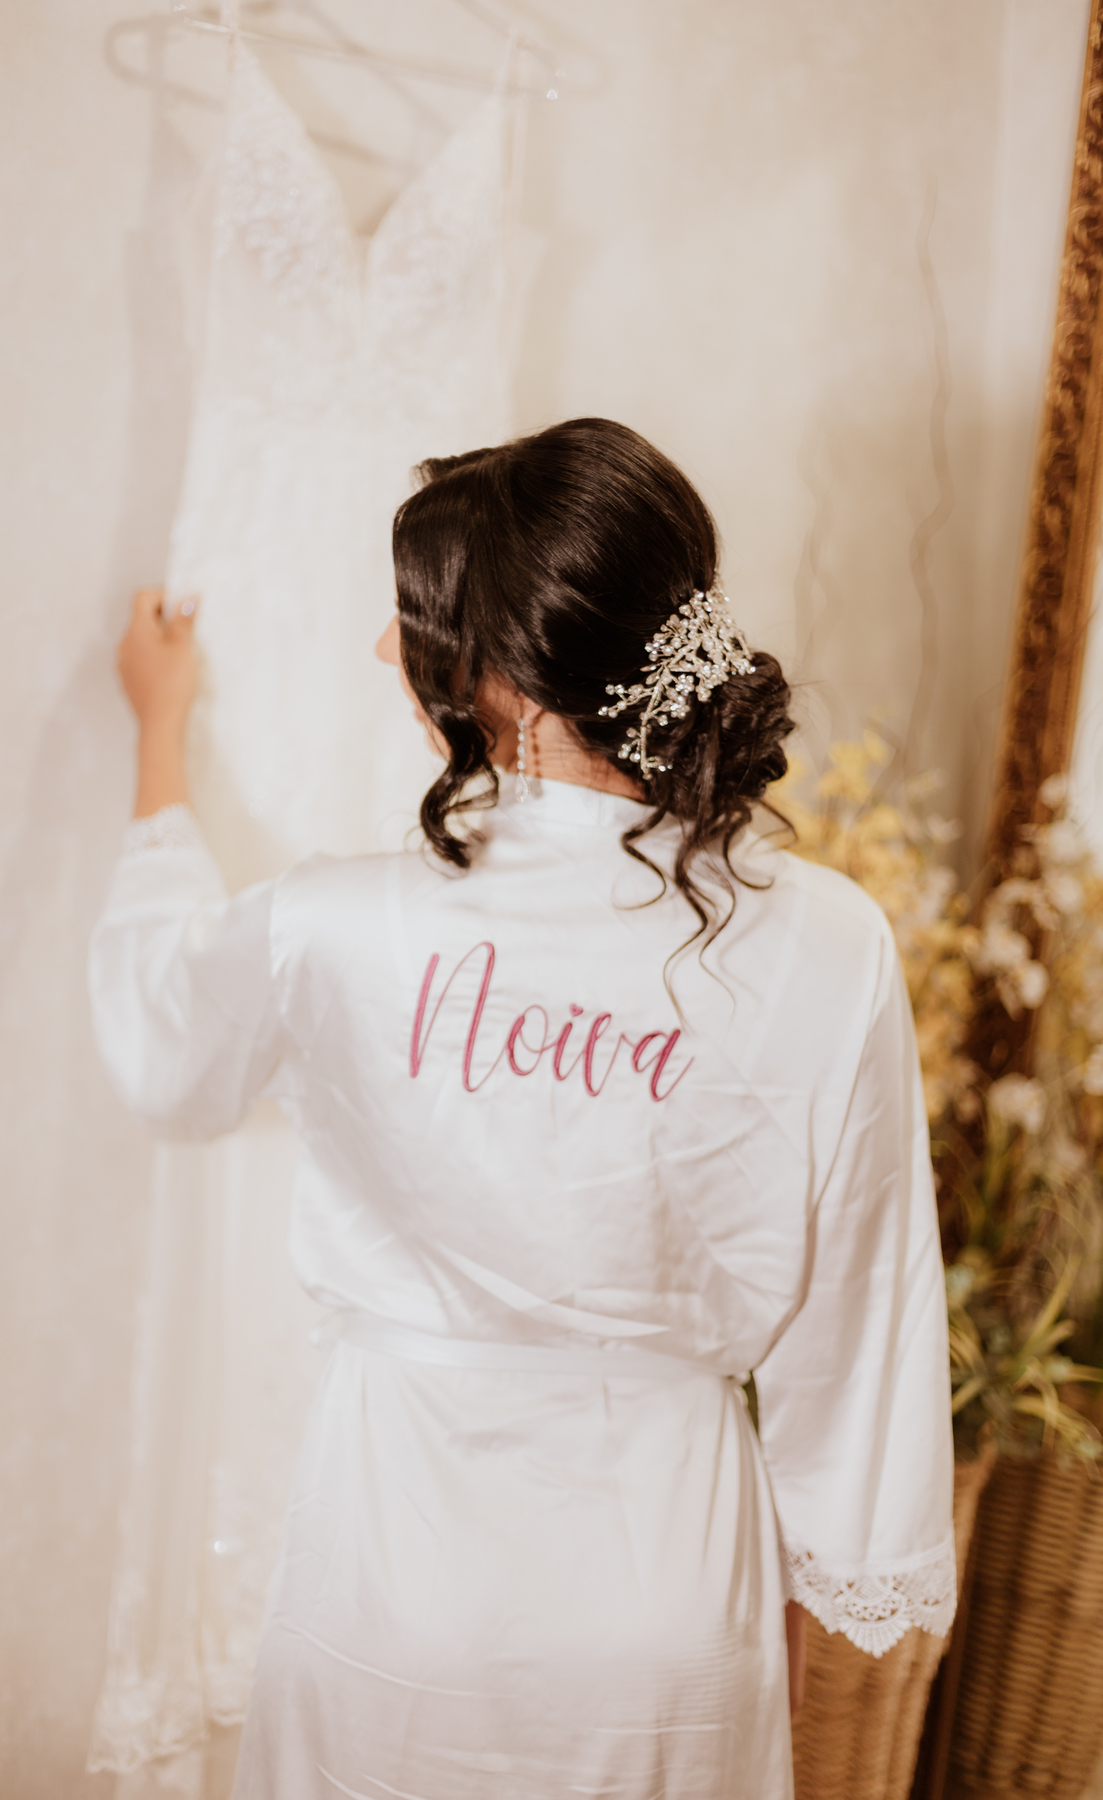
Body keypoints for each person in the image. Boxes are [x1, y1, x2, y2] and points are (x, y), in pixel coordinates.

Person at [90, 418, 955, 1800]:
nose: (389, 650)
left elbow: (162, 1044)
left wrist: (157, 740)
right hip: (671, 1591)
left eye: (421, 623)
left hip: (396, 1573)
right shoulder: (833, 944)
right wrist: (819, 1579)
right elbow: (861, 1309)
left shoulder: (337, 928)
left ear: (516, 683)